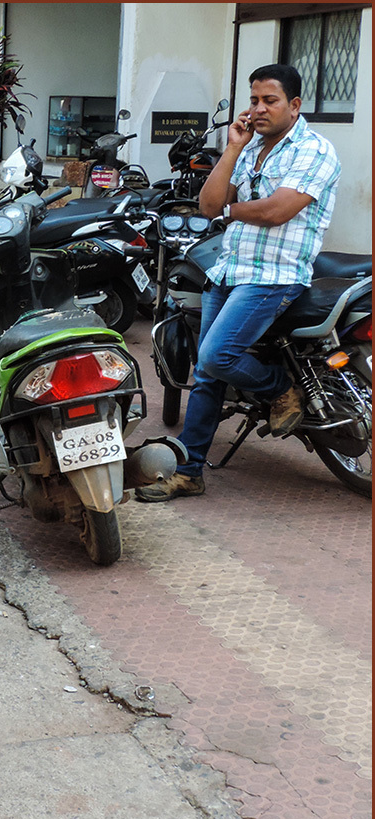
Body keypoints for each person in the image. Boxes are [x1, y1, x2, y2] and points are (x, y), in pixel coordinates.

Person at [136, 63, 340, 503]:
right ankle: (189, 472)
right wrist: (231, 150)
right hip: (230, 269)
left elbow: (275, 211)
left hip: (275, 275)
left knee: (214, 355)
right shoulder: (250, 149)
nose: (259, 109)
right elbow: (208, 204)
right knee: (207, 374)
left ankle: (281, 389)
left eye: (270, 100)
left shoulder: (314, 151)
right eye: (254, 100)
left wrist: (230, 211)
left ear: (295, 105)